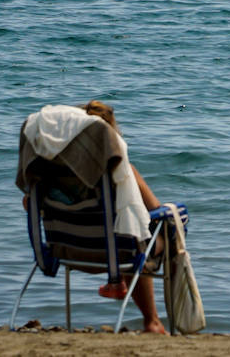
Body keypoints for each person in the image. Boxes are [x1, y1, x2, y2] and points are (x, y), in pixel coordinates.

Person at [82, 100, 169, 335]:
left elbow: (30, 205)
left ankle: (118, 280)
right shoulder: (124, 169)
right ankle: (152, 321)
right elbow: (155, 208)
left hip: (70, 250)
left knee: (126, 235)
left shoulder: (54, 175)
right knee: (147, 235)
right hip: (116, 252)